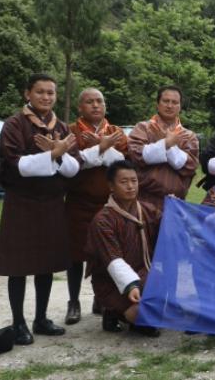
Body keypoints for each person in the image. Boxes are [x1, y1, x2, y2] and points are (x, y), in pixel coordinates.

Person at [0, 73, 80, 345]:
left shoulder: (62, 127)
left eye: (51, 93)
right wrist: (53, 154)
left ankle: (40, 318)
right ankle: (18, 322)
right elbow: (16, 163)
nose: (46, 97)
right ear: (27, 94)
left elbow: (74, 168)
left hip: (52, 202)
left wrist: (61, 152)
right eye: (40, 92)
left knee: (47, 263)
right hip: (21, 202)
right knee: (17, 265)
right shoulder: (14, 125)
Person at [64, 88, 128, 325]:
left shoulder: (116, 132)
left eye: (99, 101)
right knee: (75, 254)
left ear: (105, 105)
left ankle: (101, 298)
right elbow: (71, 163)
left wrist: (103, 147)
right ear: (80, 107)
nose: (95, 105)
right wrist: (100, 149)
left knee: (106, 253)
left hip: (108, 204)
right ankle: (73, 302)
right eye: (89, 102)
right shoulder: (70, 131)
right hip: (78, 202)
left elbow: (126, 165)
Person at [86, 161, 161, 337]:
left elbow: (170, 234)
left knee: (170, 308)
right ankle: (114, 310)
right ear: (111, 186)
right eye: (124, 182)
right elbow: (113, 260)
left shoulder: (148, 210)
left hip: (146, 273)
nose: (130, 186)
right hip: (113, 282)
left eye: (134, 181)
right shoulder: (103, 220)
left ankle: (124, 313)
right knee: (144, 316)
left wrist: (176, 209)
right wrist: (131, 286)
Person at [127, 86, 199, 211]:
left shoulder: (188, 136)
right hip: (143, 199)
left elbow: (189, 166)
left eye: (174, 102)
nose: (170, 105)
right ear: (158, 104)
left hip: (175, 202)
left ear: (180, 106)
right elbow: (137, 156)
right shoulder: (143, 128)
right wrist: (165, 143)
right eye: (166, 101)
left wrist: (168, 145)